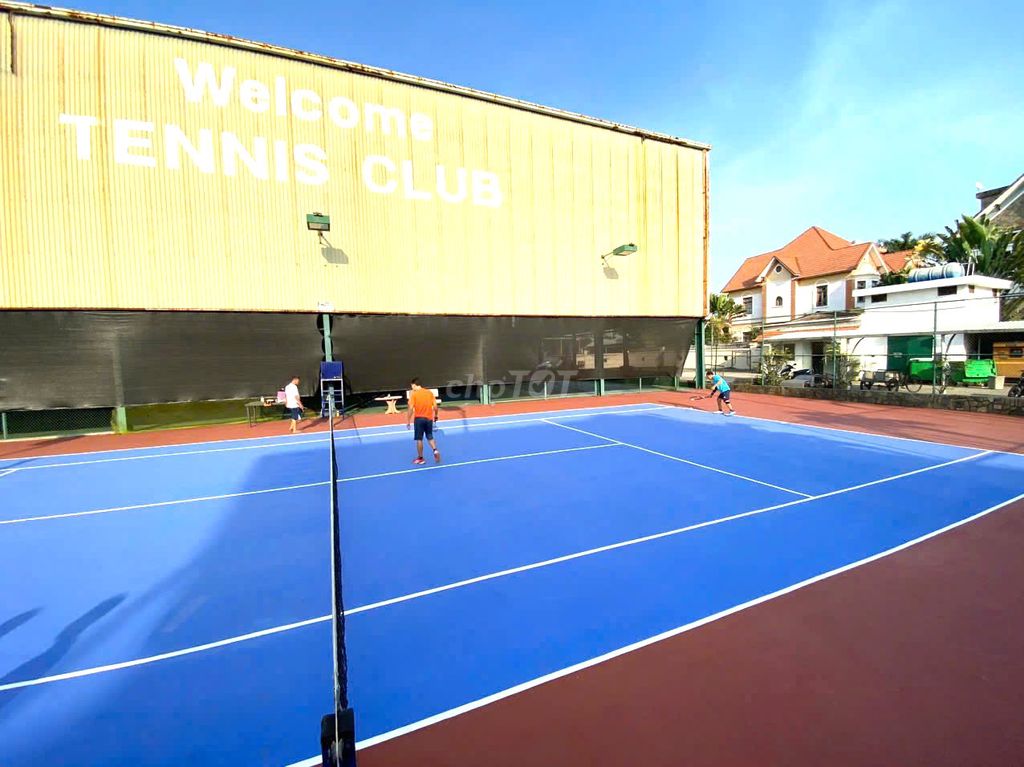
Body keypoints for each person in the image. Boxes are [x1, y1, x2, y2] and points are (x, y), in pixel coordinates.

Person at [406, 378, 440, 464]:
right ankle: (435, 450)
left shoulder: (414, 394)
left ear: (414, 385)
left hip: (419, 419)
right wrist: (436, 415)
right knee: (430, 436)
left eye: (411, 386)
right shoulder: (429, 393)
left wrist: (408, 420)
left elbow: (410, 408)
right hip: (429, 419)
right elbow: (435, 406)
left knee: (419, 439)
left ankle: (421, 458)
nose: (411, 387)